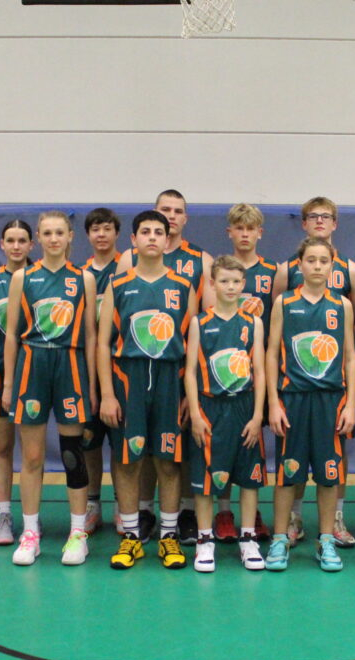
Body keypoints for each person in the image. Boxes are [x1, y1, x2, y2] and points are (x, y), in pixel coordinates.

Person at [99, 210, 198, 570]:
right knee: (128, 461)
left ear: (168, 239)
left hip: (171, 380)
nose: (153, 237)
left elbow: (193, 345)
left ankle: (168, 536)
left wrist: (189, 395)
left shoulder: (183, 286)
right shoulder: (119, 284)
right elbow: (102, 343)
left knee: (169, 461)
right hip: (129, 379)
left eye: (159, 231)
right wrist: (107, 394)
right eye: (146, 231)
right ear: (134, 240)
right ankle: (131, 537)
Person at [271, 197, 355, 549]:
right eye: (313, 216)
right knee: (290, 467)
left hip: (331, 391)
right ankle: (290, 522)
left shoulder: (347, 286)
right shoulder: (285, 285)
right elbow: (273, 346)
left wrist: (347, 396)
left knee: (331, 467)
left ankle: (331, 526)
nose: (317, 265)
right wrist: (273, 401)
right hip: (293, 392)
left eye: (326, 216)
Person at [118, 190, 214, 545]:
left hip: (176, 372)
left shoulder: (200, 261)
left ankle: (183, 514)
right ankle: (142, 512)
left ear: (185, 218)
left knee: (178, 449)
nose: (170, 217)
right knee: (139, 450)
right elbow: (113, 325)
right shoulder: (128, 261)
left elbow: (205, 324)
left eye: (177, 211)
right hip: (134, 371)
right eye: (164, 210)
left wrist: (195, 387)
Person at [2, 211, 97, 566]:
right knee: (31, 457)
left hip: (70, 364)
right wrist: (9, 383)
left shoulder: (84, 278)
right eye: (47, 233)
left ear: (70, 236)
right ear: (38, 239)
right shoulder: (23, 277)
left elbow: (91, 335)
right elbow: (11, 334)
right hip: (33, 364)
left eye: (60, 232)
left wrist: (93, 385)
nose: (54, 238)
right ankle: (30, 534)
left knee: (72, 454)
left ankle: (77, 534)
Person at [184, 255, 267, 572]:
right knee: (206, 479)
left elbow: (260, 371)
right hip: (210, 407)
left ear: (243, 284)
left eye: (236, 281)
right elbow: (191, 371)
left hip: (244, 406)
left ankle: (248, 539)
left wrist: (258, 415)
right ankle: (205, 541)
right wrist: (195, 413)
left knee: (249, 478)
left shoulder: (253, 323)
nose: (230, 287)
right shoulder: (199, 322)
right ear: (212, 284)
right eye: (224, 281)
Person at [211, 203, 276, 542]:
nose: (245, 234)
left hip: (257, 373)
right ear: (230, 232)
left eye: (251, 228)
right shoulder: (220, 270)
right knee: (223, 445)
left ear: (260, 233)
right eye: (239, 228)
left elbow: (279, 319)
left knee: (253, 444)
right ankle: (223, 512)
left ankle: (253, 513)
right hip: (224, 374)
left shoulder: (272, 272)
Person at [0, 219, 34, 545]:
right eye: (10, 240)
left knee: (31, 453)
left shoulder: (39, 279)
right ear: (1, 244)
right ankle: (4, 515)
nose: (16, 246)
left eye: (22, 240)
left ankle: (31, 518)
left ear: (31, 245)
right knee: (1, 447)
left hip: (34, 375)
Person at [80, 208, 123, 535]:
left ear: (116, 234)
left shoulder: (127, 269)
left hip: (121, 368)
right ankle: (93, 503)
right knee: (89, 442)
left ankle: (124, 505)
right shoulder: (81, 276)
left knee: (122, 443)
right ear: (88, 235)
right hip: (87, 369)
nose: (102, 234)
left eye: (107, 228)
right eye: (96, 229)